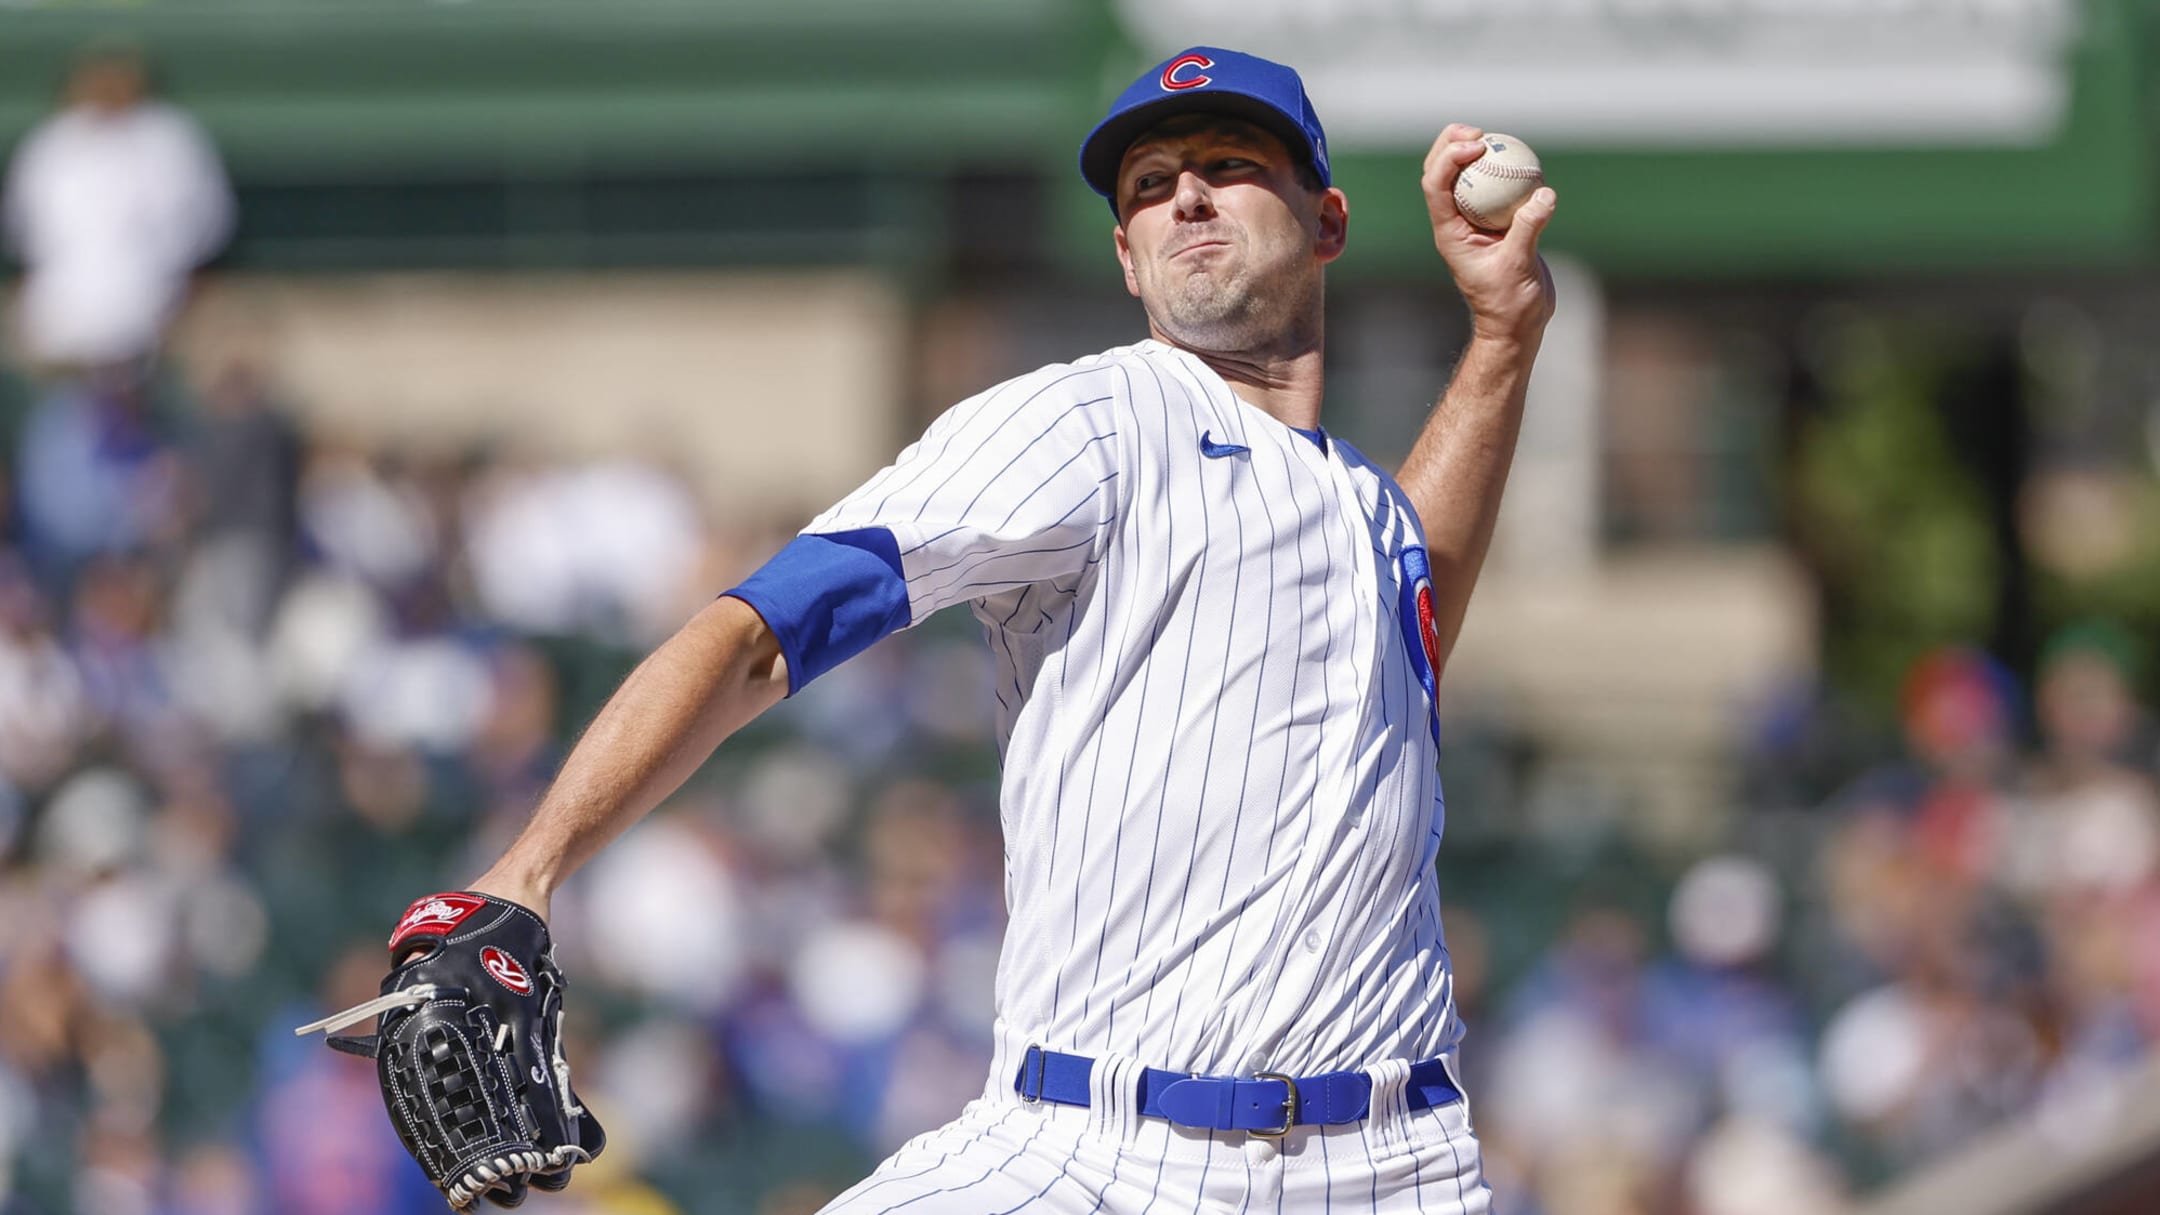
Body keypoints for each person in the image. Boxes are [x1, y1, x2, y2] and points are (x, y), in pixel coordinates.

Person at [452, 47, 1555, 1212]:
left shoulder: (1360, 498)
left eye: (1229, 166)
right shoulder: (1093, 421)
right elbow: (764, 631)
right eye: (1147, 186)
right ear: (1127, 261)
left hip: (1394, 1168)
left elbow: (1405, 618)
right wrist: (527, 872)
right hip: (1095, 1150)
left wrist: (1503, 334)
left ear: (1326, 221)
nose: (1185, 195)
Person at [3, 41, 233, 373]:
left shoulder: (169, 139)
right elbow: (23, 229)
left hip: (149, 313)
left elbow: (204, 226)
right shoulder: (52, 143)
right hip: (61, 318)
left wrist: (181, 300)